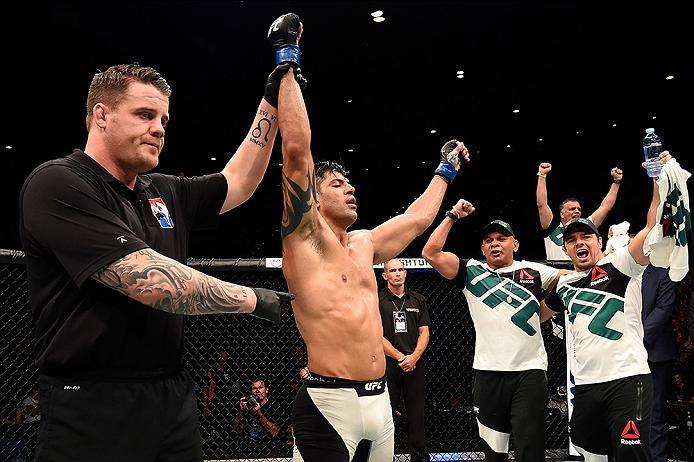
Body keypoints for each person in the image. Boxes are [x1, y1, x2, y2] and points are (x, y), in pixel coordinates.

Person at [18, 63, 292, 462]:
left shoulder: (162, 190)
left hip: (170, 395)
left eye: (163, 119)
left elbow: (240, 181)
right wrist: (256, 299)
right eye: (145, 115)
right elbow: (152, 282)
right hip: (91, 402)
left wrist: (270, 103)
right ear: (101, 115)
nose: (160, 128)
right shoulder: (58, 183)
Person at [269, 13, 468, 461]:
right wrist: (286, 62)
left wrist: (445, 170)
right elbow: (297, 152)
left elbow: (417, 221)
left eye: (351, 184)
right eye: (338, 185)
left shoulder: (364, 243)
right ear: (314, 201)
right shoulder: (303, 239)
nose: (351, 188)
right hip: (328, 403)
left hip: (379, 403)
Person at [543, 151, 675, 461]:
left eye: (586, 236)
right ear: (564, 248)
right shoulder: (563, 284)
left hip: (628, 380)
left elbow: (653, 223)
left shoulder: (622, 264)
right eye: (572, 240)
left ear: (599, 241)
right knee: (590, 452)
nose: (579, 243)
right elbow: (536, 315)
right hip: (587, 385)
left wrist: (657, 177)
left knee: (631, 454)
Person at [422, 201, 561, 462]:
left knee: (530, 449)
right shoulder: (471, 270)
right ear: (482, 248)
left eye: (501, 238)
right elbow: (430, 252)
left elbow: (571, 278)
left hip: (529, 372)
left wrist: (606, 257)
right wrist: (452, 216)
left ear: (515, 244)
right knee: (493, 452)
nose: (495, 243)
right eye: (488, 240)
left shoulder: (535, 271)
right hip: (488, 372)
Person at [379, 258, 431, 462]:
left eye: (401, 269)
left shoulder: (418, 299)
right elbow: (375, 334)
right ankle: (384, 457)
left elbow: (425, 331)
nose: (398, 273)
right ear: (385, 276)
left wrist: (414, 357)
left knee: (417, 415)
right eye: (393, 270)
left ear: (406, 273)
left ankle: (419, 458)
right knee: (386, 415)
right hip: (388, 365)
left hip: (414, 365)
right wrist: (400, 357)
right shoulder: (377, 300)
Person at [536, 162, 623, 260]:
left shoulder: (586, 225)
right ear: (562, 214)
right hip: (560, 274)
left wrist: (616, 182)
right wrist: (542, 175)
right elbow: (542, 204)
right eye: (572, 209)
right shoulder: (552, 229)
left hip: (584, 274)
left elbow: (605, 207)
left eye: (579, 209)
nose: (577, 211)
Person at [641, 265, 677, 462]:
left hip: (655, 353)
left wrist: (637, 337)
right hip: (623, 354)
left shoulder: (662, 273)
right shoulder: (616, 272)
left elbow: (664, 308)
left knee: (655, 413)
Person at [232, 378, 286, 457]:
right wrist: (241, 411)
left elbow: (275, 432)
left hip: (269, 449)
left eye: (260, 387)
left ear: (266, 390)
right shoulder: (248, 406)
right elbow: (236, 429)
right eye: (254, 388)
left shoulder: (275, 406)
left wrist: (259, 414)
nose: (257, 391)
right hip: (249, 448)